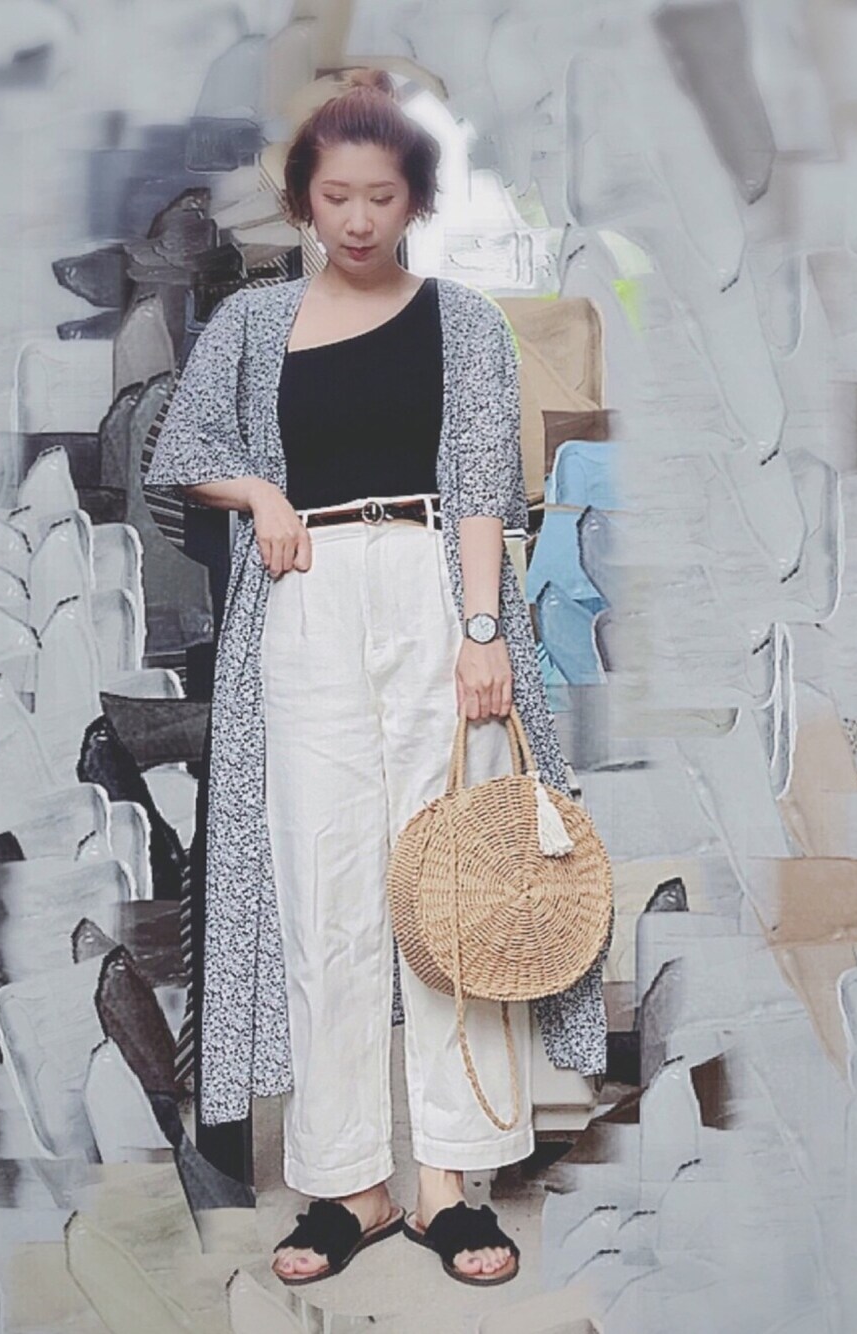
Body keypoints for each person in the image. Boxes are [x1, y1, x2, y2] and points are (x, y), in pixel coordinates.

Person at [145, 65, 609, 1289]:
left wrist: (482, 629)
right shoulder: (254, 324)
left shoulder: (465, 321)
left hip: (432, 591)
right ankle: (347, 1182)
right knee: (325, 887)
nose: (357, 219)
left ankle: (451, 1181)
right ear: (304, 199)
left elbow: (482, 485)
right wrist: (259, 493)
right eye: (336, 195)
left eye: (382, 196)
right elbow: (183, 447)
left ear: (417, 201)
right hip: (302, 597)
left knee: (453, 886)